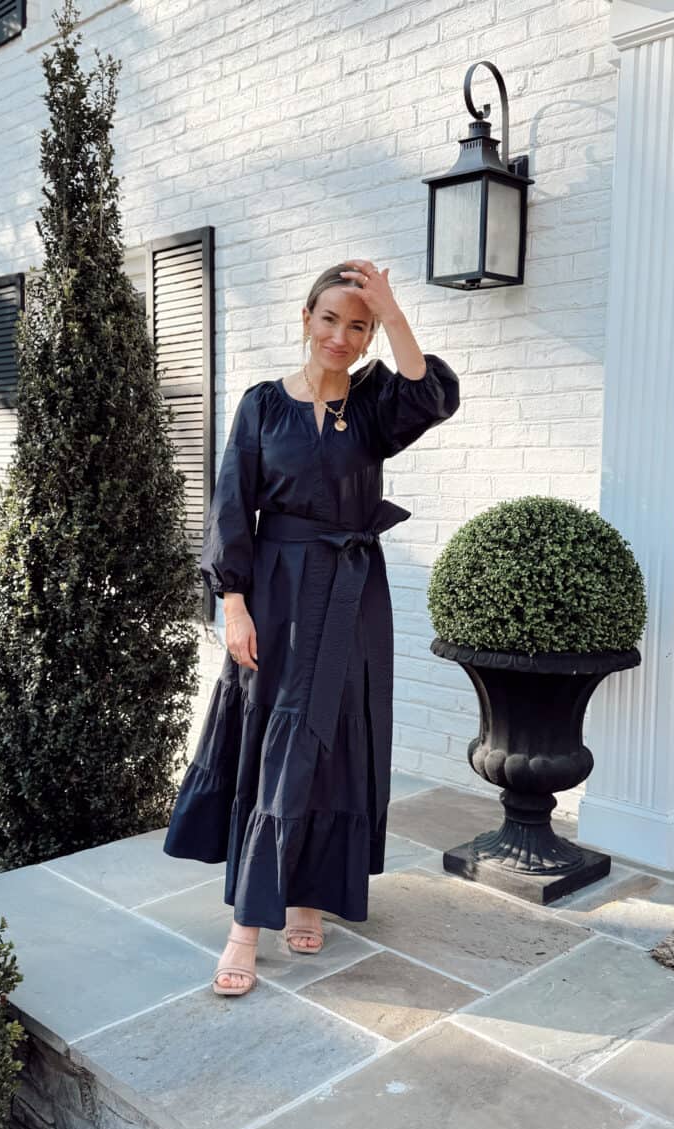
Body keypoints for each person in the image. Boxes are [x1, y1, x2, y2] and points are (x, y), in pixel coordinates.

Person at [163, 259, 460, 995]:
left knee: (333, 740)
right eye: (331, 319)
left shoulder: (372, 406)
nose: (341, 335)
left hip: (353, 593)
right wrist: (232, 601)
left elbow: (432, 394)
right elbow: (230, 504)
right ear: (306, 319)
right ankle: (244, 927)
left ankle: (308, 892)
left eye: (356, 326)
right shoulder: (262, 406)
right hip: (279, 590)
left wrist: (391, 309)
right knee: (278, 743)